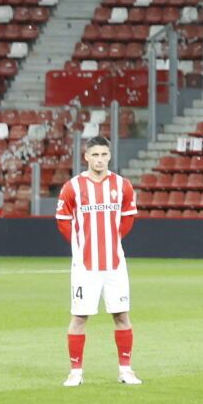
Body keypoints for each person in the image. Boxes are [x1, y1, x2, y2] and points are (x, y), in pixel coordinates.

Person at [58, 136, 140, 386]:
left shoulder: (122, 185)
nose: (100, 160)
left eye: (104, 155)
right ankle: (75, 372)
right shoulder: (72, 187)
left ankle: (125, 370)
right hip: (85, 266)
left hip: (115, 264)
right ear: (86, 157)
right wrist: (81, 245)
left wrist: (112, 240)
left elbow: (128, 219)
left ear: (110, 156)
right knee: (79, 317)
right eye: (95, 155)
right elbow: (63, 222)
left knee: (121, 315)